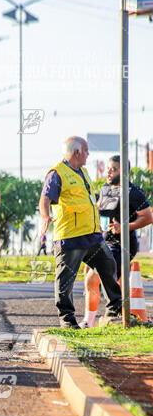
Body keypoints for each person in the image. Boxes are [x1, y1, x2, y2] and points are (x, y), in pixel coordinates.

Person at [39, 136, 122, 328]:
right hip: (70, 238)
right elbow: (45, 199)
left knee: (108, 266)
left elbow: (89, 201)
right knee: (65, 280)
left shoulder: (83, 172)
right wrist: (45, 217)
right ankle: (67, 320)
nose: (88, 154)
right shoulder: (57, 173)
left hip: (92, 237)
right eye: (86, 150)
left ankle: (115, 309)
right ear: (77, 152)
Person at [80, 155, 153, 328]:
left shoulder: (133, 192)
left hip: (122, 246)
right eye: (108, 169)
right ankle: (98, 318)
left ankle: (93, 321)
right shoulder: (106, 188)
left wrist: (124, 227)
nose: (109, 172)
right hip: (101, 242)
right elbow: (99, 209)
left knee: (93, 278)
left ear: (124, 172)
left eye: (114, 169)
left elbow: (148, 217)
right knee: (91, 277)